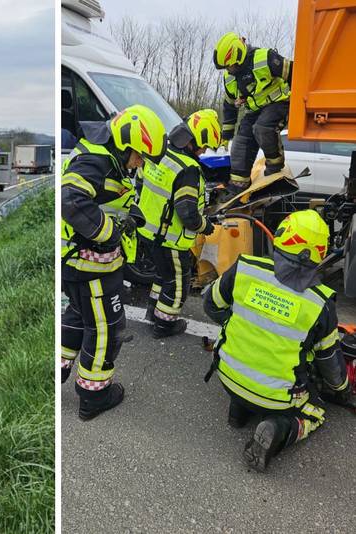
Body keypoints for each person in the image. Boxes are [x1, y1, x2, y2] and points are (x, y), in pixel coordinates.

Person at [203, 210, 355, 471]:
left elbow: (211, 305)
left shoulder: (246, 268)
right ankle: (278, 428)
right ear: (318, 251)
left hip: (227, 375)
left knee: (247, 380)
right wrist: (342, 389)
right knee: (314, 413)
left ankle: (238, 411)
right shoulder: (320, 304)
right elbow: (329, 363)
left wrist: (235, 323)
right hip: (276, 397)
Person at [60, 104, 168, 420]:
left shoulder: (105, 154)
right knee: (107, 327)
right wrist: (108, 233)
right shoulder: (97, 162)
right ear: (124, 145)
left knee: (78, 316)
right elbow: (70, 199)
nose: (140, 163)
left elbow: (104, 197)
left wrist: (129, 212)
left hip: (79, 263)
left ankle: (59, 369)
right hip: (91, 264)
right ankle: (94, 396)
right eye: (139, 156)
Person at [137, 109, 221, 338]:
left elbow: (141, 184)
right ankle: (164, 325)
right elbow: (188, 214)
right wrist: (207, 226)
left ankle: (153, 313)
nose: (204, 152)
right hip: (171, 240)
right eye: (204, 147)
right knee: (177, 284)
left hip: (148, 232)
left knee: (162, 277)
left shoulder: (160, 152)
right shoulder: (188, 170)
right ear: (194, 141)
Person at [213, 31, 293, 195]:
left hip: (280, 103)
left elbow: (295, 74)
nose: (229, 69)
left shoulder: (265, 58)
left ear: (239, 55)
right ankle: (238, 186)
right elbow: (229, 105)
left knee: (262, 128)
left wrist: (302, 104)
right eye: (226, 67)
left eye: (230, 65)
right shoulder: (229, 77)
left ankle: (274, 167)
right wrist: (226, 136)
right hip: (255, 110)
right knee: (240, 142)